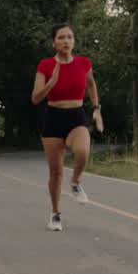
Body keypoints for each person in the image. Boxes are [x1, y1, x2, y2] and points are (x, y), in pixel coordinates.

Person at [31, 22, 103, 231]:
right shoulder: (45, 66)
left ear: (74, 41)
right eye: (61, 37)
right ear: (54, 42)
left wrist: (96, 108)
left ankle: (76, 182)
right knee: (55, 172)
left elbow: (90, 84)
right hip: (53, 117)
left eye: (70, 37)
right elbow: (35, 98)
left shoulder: (83, 63)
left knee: (82, 151)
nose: (66, 41)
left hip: (76, 115)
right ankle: (55, 214)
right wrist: (50, 84)